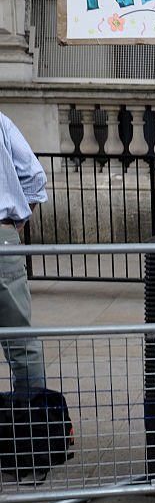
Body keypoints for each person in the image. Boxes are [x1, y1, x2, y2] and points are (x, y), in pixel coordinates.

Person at [0, 112, 48, 397]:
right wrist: (13, 226)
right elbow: (34, 177)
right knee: (21, 342)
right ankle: (35, 427)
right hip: (3, 237)